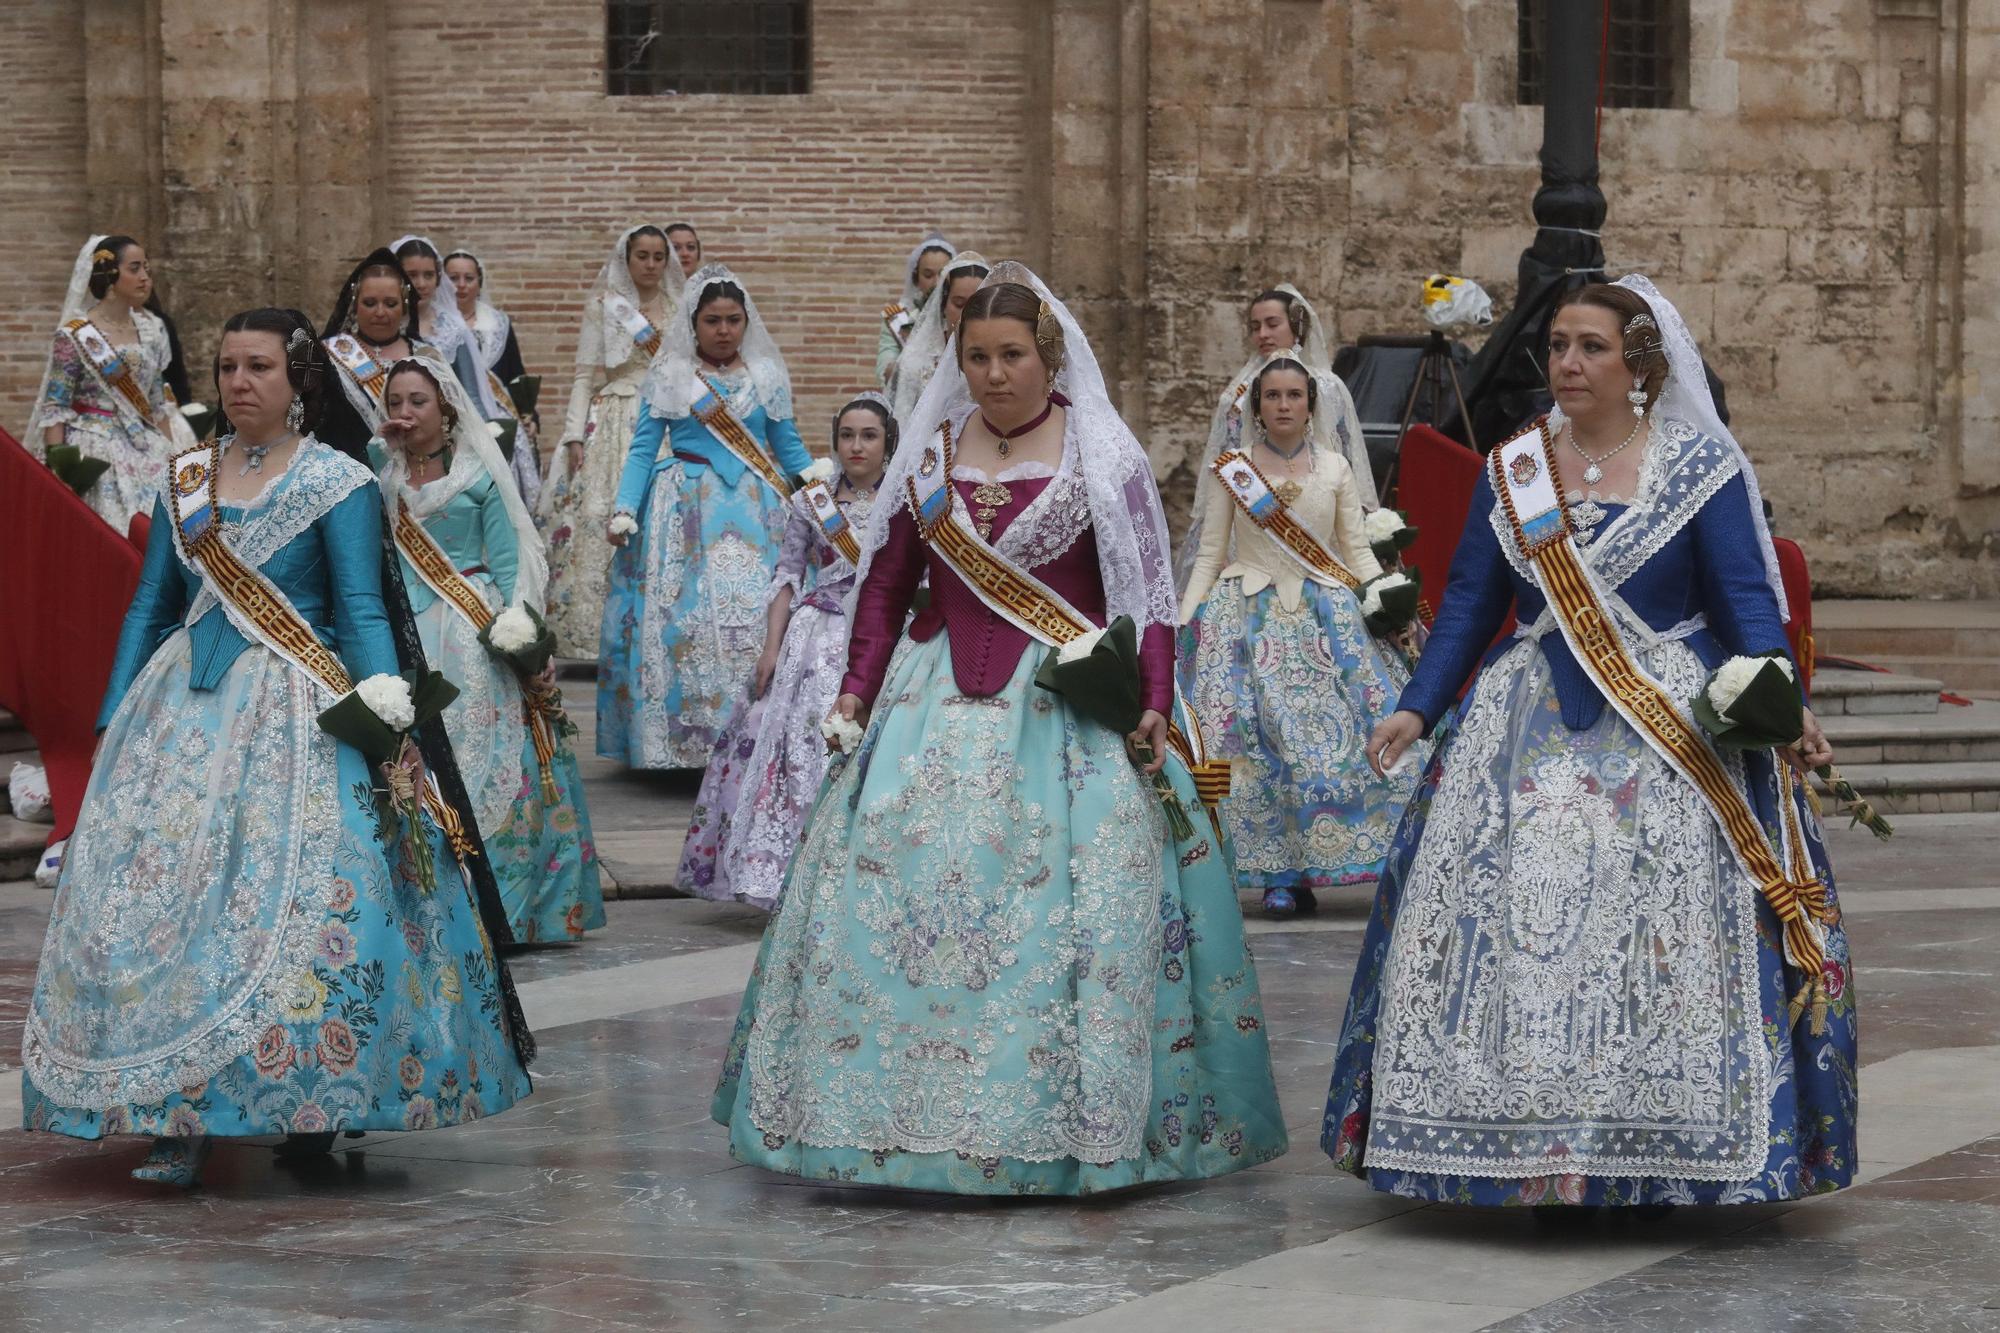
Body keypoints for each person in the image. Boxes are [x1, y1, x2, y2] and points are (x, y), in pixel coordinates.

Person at [711, 263, 1287, 1195]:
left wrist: (1151, 698)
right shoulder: (930, 457)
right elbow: (888, 586)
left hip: (1065, 712)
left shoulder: (1105, 455)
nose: (992, 372)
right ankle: (882, 1116)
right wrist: (856, 690)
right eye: (975, 356)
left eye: (1010, 354)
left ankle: (1072, 1123)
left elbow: (1144, 592)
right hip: (926, 706)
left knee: (1065, 918)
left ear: (1047, 355)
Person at [1321, 276, 1856, 1210]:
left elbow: (1746, 608)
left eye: (1591, 346)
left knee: (1650, 939)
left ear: (1638, 363)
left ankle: (1646, 1149)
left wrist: (1787, 703)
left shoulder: (1700, 469)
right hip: (1521, 737)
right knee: (1513, 937)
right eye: (1559, 345)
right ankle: (1515, 1142)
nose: (1568, 362)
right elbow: (1472, 609)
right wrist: (1416, 706)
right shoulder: (1516, 466)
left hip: (1668, 739)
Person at [20, 308, 535, 1188]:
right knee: (161, 909)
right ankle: (172, 1118)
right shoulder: (185, 478)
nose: (237, 382)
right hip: (179, 712)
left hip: (296, 708)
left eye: (258, 366)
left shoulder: (337, 481)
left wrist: (385, 714)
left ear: (298, 382)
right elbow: (151, 604)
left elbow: (362, 607)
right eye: (225, 366)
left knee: (307, 906)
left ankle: (313, 1101)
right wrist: (109, 720)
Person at [1177, 351, 1420, 917]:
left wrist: (1382, 596)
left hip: (1324, 615)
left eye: (1293, 395)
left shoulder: (1333, 468)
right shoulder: (1232, 467)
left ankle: (1346, 854)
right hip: (1245, 616)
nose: (1283, 404)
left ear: (1310, 404)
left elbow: (1355, 548)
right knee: (1253, 748)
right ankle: (1276, 874)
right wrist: (1184, 621)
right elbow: (1212, 551)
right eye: (1272, 396)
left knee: (1329, 745)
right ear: (1256, 407)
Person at [372, 359, 606, 943]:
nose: (404, 412)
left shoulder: (477, 476)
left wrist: (521, 631)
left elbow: (509, 562)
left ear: (446, 410)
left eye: (417, 401)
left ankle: (505, 906)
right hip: (407, 633)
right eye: (395, 401)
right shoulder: (378, 470)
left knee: (491, 756)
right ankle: (429, 904)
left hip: (471, 631)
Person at [678, 392, 892, 910]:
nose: (856, 446)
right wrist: (770, 648)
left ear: (889, 444)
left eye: (869, 436)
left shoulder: (902, 503)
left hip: (883, 633)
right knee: (792, 751)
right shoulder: (810, 501)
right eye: (847, 435)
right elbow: (788, 576)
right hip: (815, 635)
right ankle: (781, 875)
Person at [598, 264, 811, 769]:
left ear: (745, 322)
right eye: (712, 320)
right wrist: (625, 508)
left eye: (732, 320)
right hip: (684, 509)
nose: (723, 330)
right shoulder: (671, 375)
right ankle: (684, 743)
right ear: (693, 324)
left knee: (760, 615)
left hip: (759, 508)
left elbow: (789, 447)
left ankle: (754, 737)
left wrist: (826, 498)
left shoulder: (766, 375)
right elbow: (643, 449)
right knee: (683, 620)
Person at [538, 225, 684, 657]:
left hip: (666, 419)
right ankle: (595, 635)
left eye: (659, 256)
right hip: (614, 414)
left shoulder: (680, 308)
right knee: (601, 520)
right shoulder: (605, 306)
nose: (651, 264)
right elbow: (585, 375)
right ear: (627, 258)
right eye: (643, 255)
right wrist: (571, 435)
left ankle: (655, 628)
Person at [26, 235, 199, 532]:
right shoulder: (74, 336)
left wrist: (174, 457)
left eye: (147, 268)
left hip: (148, 446)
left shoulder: (151, 330)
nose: (145, 277)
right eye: (135, 268)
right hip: (96, 450)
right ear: (109, 274)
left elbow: (157, 404)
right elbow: (55, 408)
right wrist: (60, 474)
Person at [442, 247, 542, 512]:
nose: (461, 285)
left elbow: (514, 372)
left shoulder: (498, 323)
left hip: (497, 415)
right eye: (453, 278)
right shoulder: (437, 324)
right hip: (453, 415)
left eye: (469, 278)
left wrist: (531, 415)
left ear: (479, 282)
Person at [888, 250, 989, 425]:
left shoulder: (1003, 363)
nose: (968, 314)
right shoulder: (914, 364)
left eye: (978, 304)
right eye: (959, 304)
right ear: (943, 305)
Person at [876, 232, 953, 389]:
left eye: (943, 273)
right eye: (928, 274)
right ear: (916, 278)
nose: (936, 282)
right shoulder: (897, 317)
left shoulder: (960, 315)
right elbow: (885, 369)